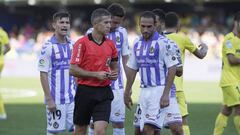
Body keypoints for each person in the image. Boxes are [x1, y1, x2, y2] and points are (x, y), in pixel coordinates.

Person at [124, 11, 180, 135]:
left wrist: (166, 93)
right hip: (144, 92)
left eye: (149, 26)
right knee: (139, 130)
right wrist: (127, 91)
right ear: (139, 25)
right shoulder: (137, 43)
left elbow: (172, 68)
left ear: (155, 25)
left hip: (159, 90)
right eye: (143, 26)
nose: (145, 30)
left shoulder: (164, 43)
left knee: (149, 129)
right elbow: (133, 69)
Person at [69, 8, 118, 135]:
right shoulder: (81, 43)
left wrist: (114, 74)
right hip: (85, 91)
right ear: (95, 24)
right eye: (106, 23)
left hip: (104, 92)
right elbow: (73, 70)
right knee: (80, 131)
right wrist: (95, 75)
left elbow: (114, 65)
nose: (109, 25)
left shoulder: (111, 44)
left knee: (100, 131)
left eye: (110, 22)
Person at [87, 3, 130, 135]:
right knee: (94, 122)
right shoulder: (90, 33)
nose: (115, 25)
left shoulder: (122, 32)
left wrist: (129, 86)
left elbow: (125, 58)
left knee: (118, 122)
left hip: (117, 85)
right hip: (96, 85)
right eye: (113, 22)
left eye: (118, 23)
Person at [164, 12, 208, 135]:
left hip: (159, 87)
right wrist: (205, 47)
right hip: (176, 87)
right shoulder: (182, 37)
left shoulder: (159, 38)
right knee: (182, 122)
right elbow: (200, 55)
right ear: (178, 24)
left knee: (154, 125)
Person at [37, 11, 76, 135]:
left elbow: (75, 71)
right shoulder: (48, 47)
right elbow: (43, 74)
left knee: (78, 129)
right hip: (55, 99)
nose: (65, 25)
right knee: (54, 131)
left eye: (67, 22)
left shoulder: (73, 45)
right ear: (54, 25)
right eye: (61, 22)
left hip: (72, 98)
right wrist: (49, 99)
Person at [152, 9, 184, 135]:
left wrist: (168, 64)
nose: (152, 26)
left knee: (177, 128)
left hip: (168, 92)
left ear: (162, 24)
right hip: (148, 93)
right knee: (152, 130)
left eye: (155, 22)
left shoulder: (171, 44)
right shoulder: (140, 43)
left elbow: (180, 71)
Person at [213, 11, 240, 135]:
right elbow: (232, 59)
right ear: (236, 22)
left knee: (226, 110)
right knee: (239, 108)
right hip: (230, 80)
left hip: (236, 80)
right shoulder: (229, 38)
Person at [0, 27, 11, 120]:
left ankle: (2, 113)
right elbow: (8, 47)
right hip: (1, 62)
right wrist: (1, 54)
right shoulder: (3, 33)